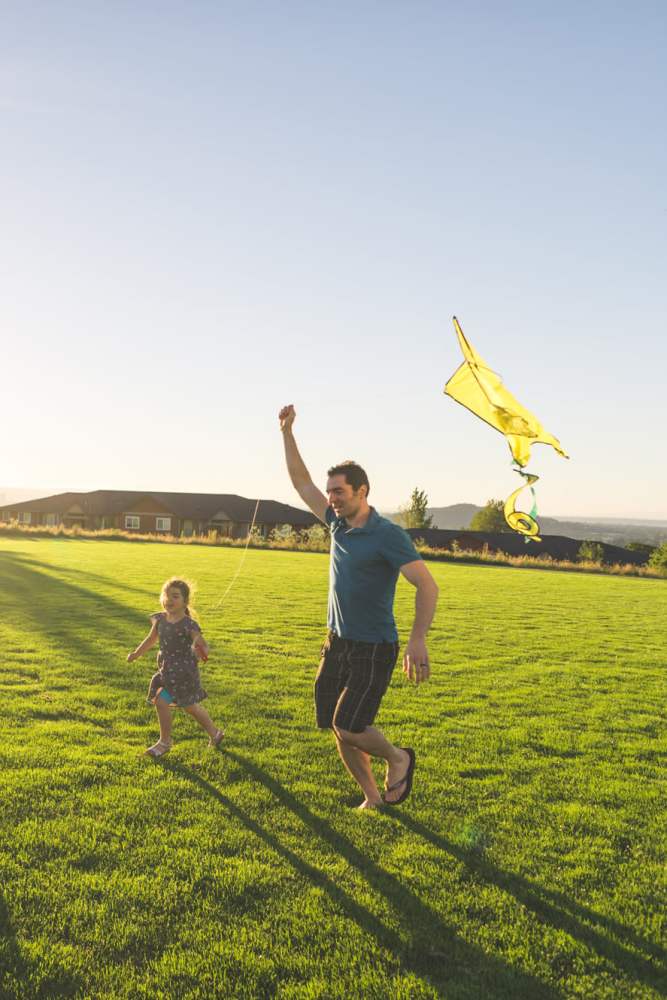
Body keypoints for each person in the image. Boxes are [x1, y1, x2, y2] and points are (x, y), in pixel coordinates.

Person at [278, 404, 439, 809]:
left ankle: (400, 758)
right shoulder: (336, 523)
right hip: (337, 643)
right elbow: (301, 483)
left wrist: (418, 639)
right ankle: (372, 797)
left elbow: (427, 585)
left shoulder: (388, 536)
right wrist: (287, 432)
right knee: (339, 727)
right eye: (330, 491)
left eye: (339, 492)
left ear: (362, 492)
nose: (331, 498)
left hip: (373, 647)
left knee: (348, 724)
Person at [127, 577, 224, 758]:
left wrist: (200, 651)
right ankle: (208, 735)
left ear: (185, 601)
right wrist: (135, 654)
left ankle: (170, 742)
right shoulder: (160, 620)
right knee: (171, 703)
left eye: (175, 596)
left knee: (188, 706)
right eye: (166, 595)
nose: (169, 600)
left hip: (184, 673)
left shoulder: (189, 624)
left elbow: (202, 644)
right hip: (167, 669)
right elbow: (150, 640)